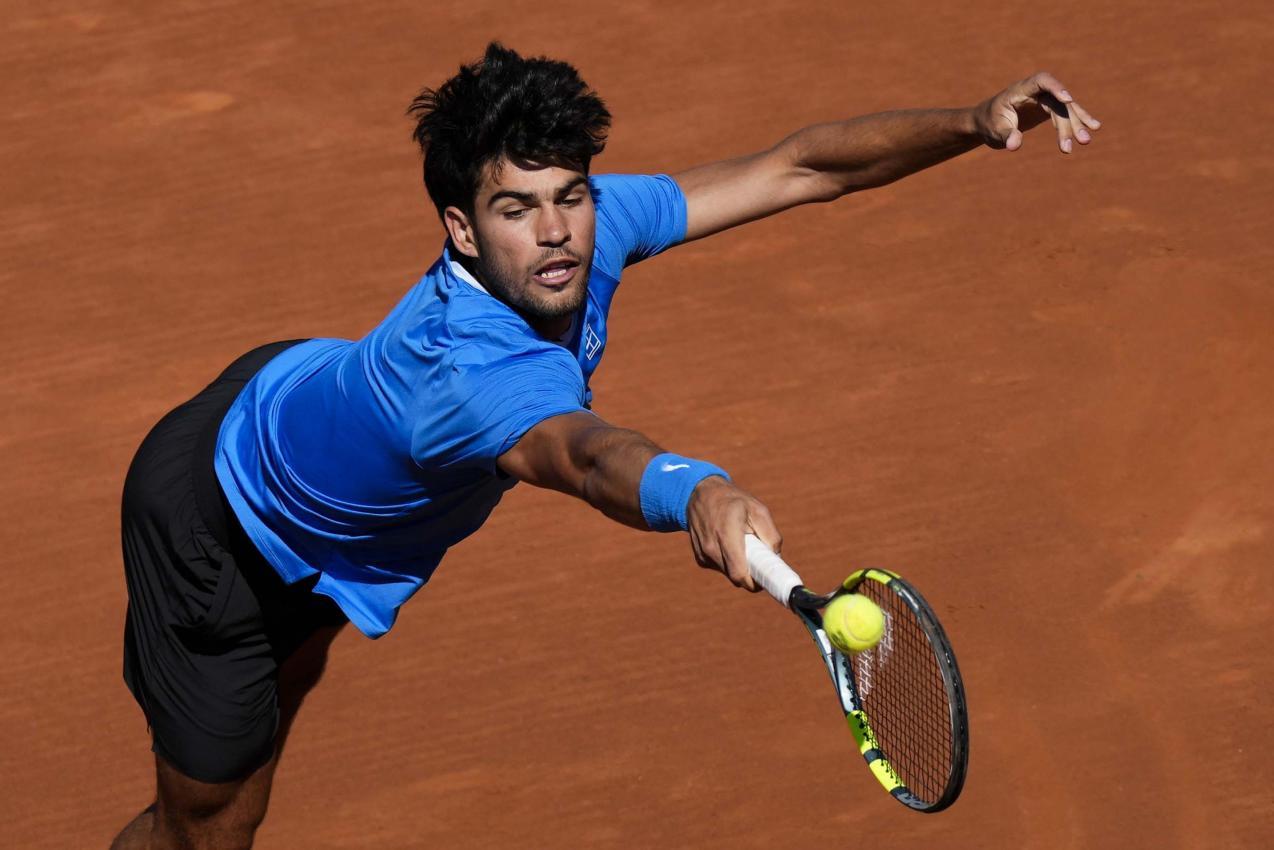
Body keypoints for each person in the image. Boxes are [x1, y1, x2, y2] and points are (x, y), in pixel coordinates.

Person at [111, 41, 1099, 849]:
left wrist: (968, 124)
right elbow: (582, 454)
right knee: (210, 824)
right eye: (514, 211)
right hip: (220, 533)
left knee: (280, 698)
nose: (556, 235)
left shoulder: (582, 224)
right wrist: (693, 489)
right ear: (460, 229)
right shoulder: (473, 376)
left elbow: (798, 168)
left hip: (306, 433)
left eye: (569, 197)